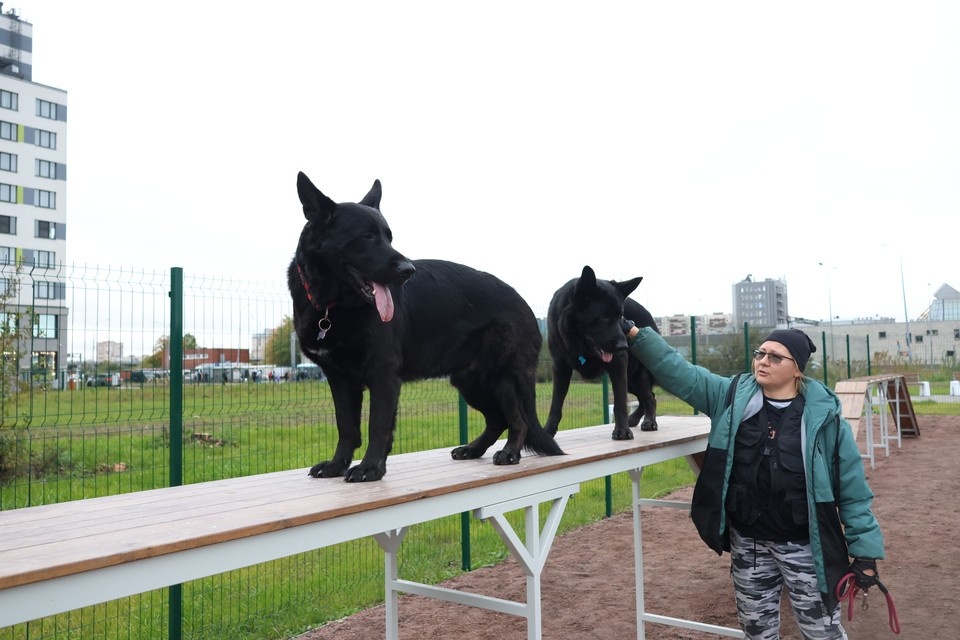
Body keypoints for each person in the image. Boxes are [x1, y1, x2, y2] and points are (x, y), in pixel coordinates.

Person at [621, 321, 885, 640]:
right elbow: (679, 371)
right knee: (757, 632)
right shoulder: (731, 397)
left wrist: (866, 553)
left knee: (822, 632)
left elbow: (854, 494)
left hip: (804, 547)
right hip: (750, 546)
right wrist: (636, 334)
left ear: (797, 370)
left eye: (775, 357)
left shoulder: (826, 423)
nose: (763, 361)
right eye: (760, 353)